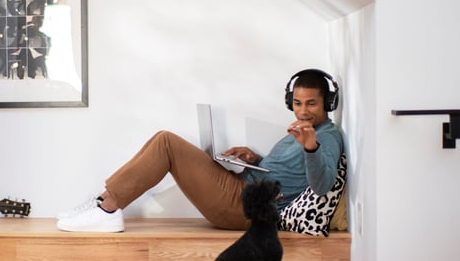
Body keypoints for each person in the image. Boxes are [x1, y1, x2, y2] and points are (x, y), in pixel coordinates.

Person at [56, 69, 344, 232]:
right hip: (242, 188)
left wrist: (311, 148)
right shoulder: (300, 128)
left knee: (167, 143)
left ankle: (107, 210)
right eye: (297, 102)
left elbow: (322, 184)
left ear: (328, 103)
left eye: (311, 104)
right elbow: (285, 171)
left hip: (246, 207)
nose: (303, 110)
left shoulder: (326, 137)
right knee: (162, 138)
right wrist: (253, 158)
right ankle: (103, 200)